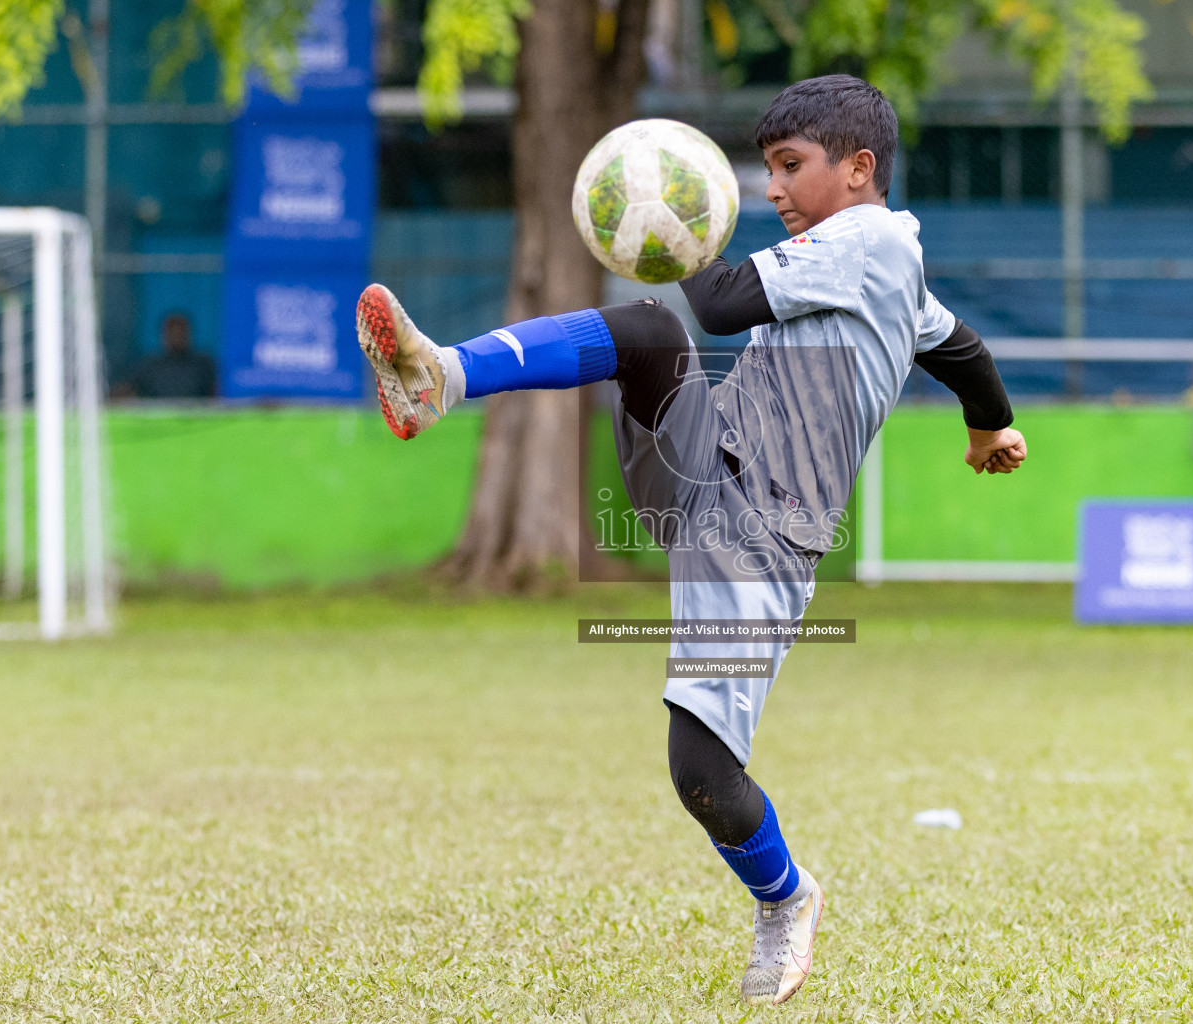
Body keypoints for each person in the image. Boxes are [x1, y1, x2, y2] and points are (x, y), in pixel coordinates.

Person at [354, 75, 1026, 1005]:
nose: (776, 189)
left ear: (860, 169)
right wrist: (987, 426)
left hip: (765, 537)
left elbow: (719, 303)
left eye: (791, 168)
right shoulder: (879, 267)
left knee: (700, 770)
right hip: (703, 460)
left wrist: (675, 222)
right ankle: (442, 378)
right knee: (640, 332)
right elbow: (959, 350)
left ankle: (786, 899)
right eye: (767, 170)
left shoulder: (867, 239)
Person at [120, 313, 217, 399]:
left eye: (180, 332)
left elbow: (216, 395)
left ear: (188, 334)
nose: (177, 337)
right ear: (164, 335)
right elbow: (126, 389)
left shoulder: (202, 364)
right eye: (173, 332)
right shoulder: (150, 365)